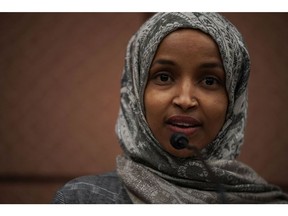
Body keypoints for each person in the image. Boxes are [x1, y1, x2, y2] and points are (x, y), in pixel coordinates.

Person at [52, 12, 288, 204]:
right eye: (164, 77)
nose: (185, 100)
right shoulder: (83, 200)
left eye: (209, 81)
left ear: (233, 101)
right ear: (136, 92)